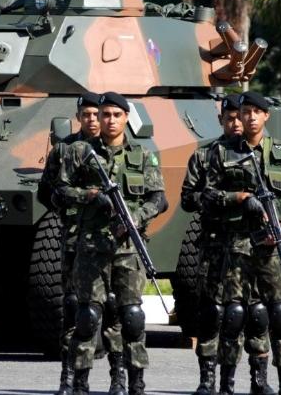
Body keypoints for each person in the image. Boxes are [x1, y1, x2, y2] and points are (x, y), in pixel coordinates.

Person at [56, 92, 168, 395]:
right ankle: (79, 384)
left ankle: (129, 381)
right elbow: (60, 191)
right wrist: (91, 196)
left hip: (128, 249)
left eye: (116, 115)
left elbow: (159, 199)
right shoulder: (78, 152)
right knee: (87, 316)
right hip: (91, 246)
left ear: (126, 118)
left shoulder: (143, 156)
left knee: (130, 317)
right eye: (104, 114)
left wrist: (133, 217)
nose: (109, 120)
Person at [201, 91, 281, 395]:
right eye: (244, 112)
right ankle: (227, 384)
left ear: (265, 116)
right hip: (236, 246)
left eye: (254, 112)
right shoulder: (222, 153)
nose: (248, 117)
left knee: (280, 314)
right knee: (233, 316)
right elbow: (207, 195)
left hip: (271, 246)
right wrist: (239, 199)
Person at [181, 93, 275, 395]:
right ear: (221, 119)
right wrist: (218, 200)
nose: (236, 122)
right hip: (215, 246)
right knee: (213, 314)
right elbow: (187, 199)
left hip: (257, 246)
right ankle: (209, 380)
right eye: (230, 117)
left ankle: (259, 380)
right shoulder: (205, 155)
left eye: (241, 116)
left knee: (255, 312)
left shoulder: (265, 155)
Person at [38, 92, 127, 395]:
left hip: (109, 241)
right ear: (78, 117)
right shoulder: (65, 151)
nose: (92, 120)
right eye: (86, 114)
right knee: (75, 307)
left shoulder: (114, 151)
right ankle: (68, 377)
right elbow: (47, 191)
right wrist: (72, 207)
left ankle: (118, 378)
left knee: (114, 306)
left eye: (96, 114)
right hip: (74, 239)